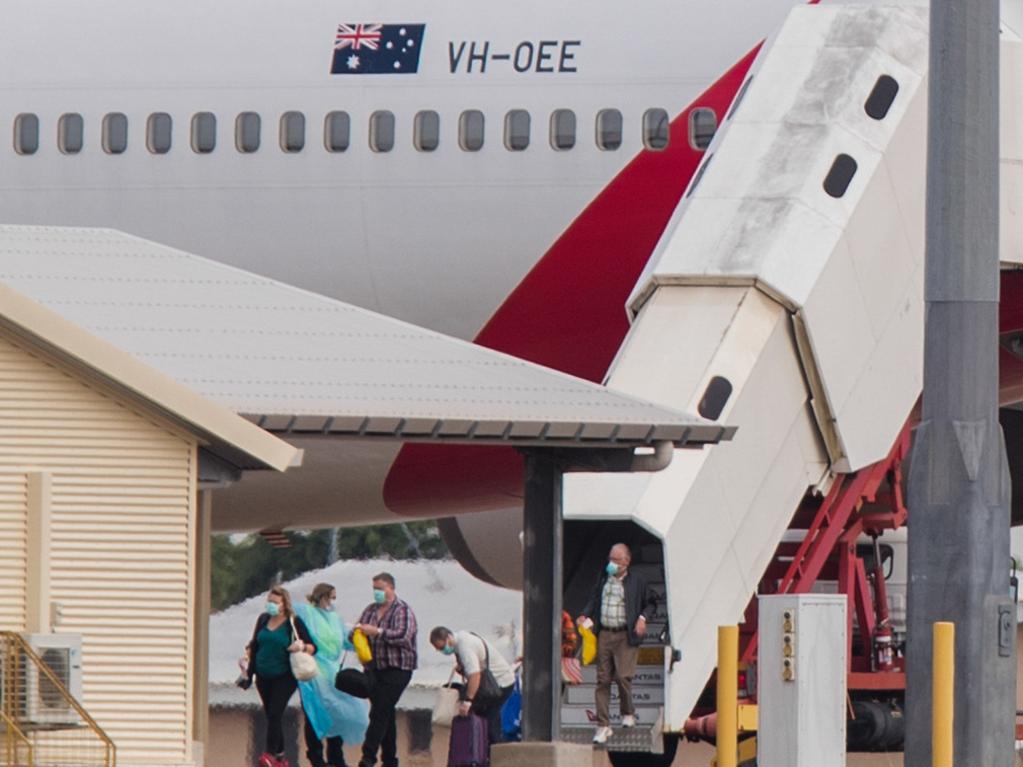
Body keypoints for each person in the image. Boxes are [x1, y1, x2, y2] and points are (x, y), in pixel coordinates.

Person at [577, 543, 656, 745]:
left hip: (625, 634)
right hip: (605, 633)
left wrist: (642, 619)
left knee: (623, 677)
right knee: (602, 680)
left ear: (626, 561)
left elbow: (651, 603)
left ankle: (627, 712)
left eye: (616, 560)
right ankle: (603, 726)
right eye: (610, 559)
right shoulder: (604, 578)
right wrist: (585, 614)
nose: (611, 563)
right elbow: (594, 599)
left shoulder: (637, 581)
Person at [239, 585, 318, 767]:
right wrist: (248, 666)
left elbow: (313, 647)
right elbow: (255, 643)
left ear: (284, 604)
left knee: (275, 712)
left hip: (284, 676)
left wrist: (301, 647)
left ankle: (270, 754)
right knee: (270, 714)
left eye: (275, 602)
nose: (271, 605)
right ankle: (281, 756)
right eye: (269, 601)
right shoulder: (263, 619)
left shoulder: (293, 622)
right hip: (263, 675)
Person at [294, 583, 370, 767]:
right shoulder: (306, 614)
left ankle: (336, 755)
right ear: (321, 596)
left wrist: (357, 635)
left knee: (338, 711)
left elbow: (345, 641)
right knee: (316, 712)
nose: (333, 602)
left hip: (332, 671)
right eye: (331, 597)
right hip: (313, 670)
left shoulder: (335, 619)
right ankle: (316, 757)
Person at [353, 572, 418, 767]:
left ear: (391, 588)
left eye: (380, 589)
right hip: (375, 669)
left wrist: (378, 632)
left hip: (398, 668)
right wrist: (357, 634)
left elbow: (403, 636)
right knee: (385, 712)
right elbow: (359, 627)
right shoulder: (371, 610)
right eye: (374, 589)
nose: (377, 593)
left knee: (380, 710)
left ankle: (368, 756)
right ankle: (390, 759)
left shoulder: (402, 610)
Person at [429, 626, 516, 749]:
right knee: (484, 721)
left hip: (500, 684)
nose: (443, 651)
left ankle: (495, 754)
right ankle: (485, 753)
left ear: (449, 637)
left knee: (489, 722)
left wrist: (467, 702)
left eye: (442, 647)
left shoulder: (465, 647)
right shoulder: (460, 641)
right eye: (439, 649)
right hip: (494, 684)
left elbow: (475, 675)